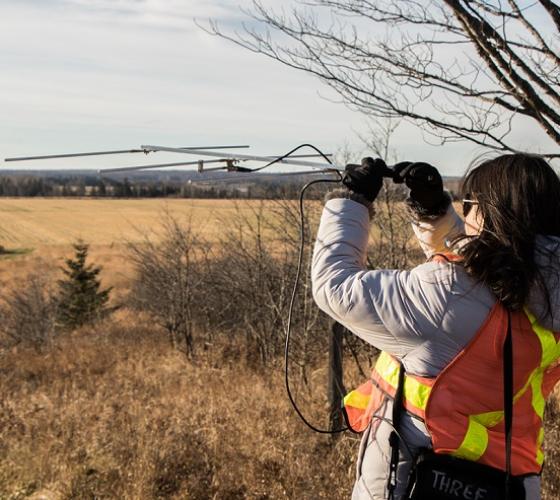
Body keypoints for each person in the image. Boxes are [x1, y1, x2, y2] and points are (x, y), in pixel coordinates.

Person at [311, 153, 560, 500]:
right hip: (511, 483)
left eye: (469, 203)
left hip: (420, 478)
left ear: (489, 212)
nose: (466, 212)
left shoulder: (447, 294)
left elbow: (333, 286)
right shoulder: (545, 291)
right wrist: (434, 213)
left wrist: (352, 202)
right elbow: (479, 281)